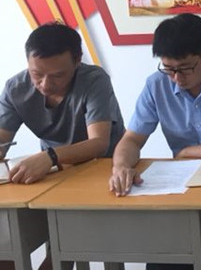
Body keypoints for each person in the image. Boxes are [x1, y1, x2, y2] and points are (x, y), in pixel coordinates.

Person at [109, 12, 201, 195]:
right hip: (182, 180)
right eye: (168, 69)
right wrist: (121, 166)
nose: (177, 78)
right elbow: (132, 140)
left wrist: (186, 152)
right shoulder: (156, 85)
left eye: (186, 68)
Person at [0, 22, 124, 184]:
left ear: (77, 61)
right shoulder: (16, 89)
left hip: (105, 167)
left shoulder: (94, 80)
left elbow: (99, 143)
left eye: (57, 76)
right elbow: (2, 139)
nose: (45, 84)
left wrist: (51, 156)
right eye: (36, 74)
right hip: (53, 170)